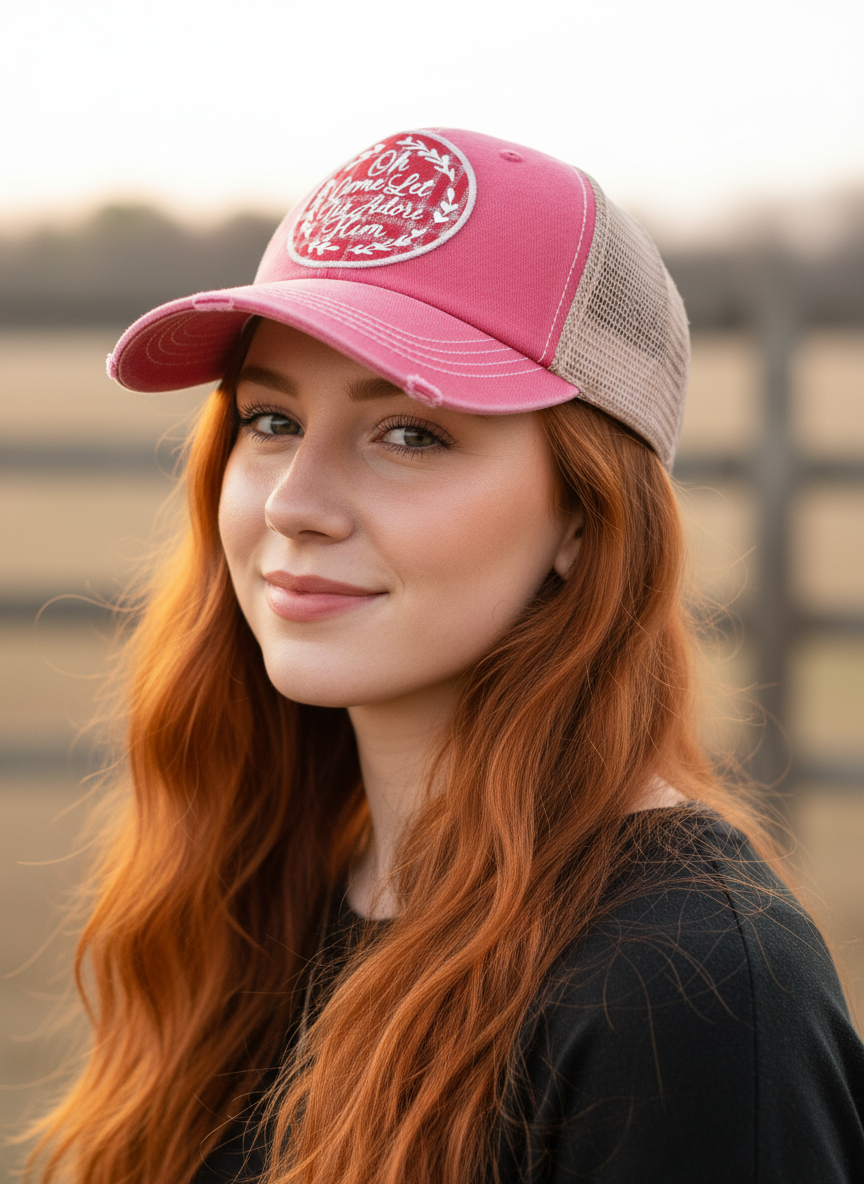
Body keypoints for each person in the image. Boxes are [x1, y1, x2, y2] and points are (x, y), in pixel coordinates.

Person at [26, 129, 864, 1183]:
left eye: (410, 434)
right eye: (271, 418)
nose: (294, 501)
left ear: (583, 516)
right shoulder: (256, 894)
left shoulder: (692, 984)